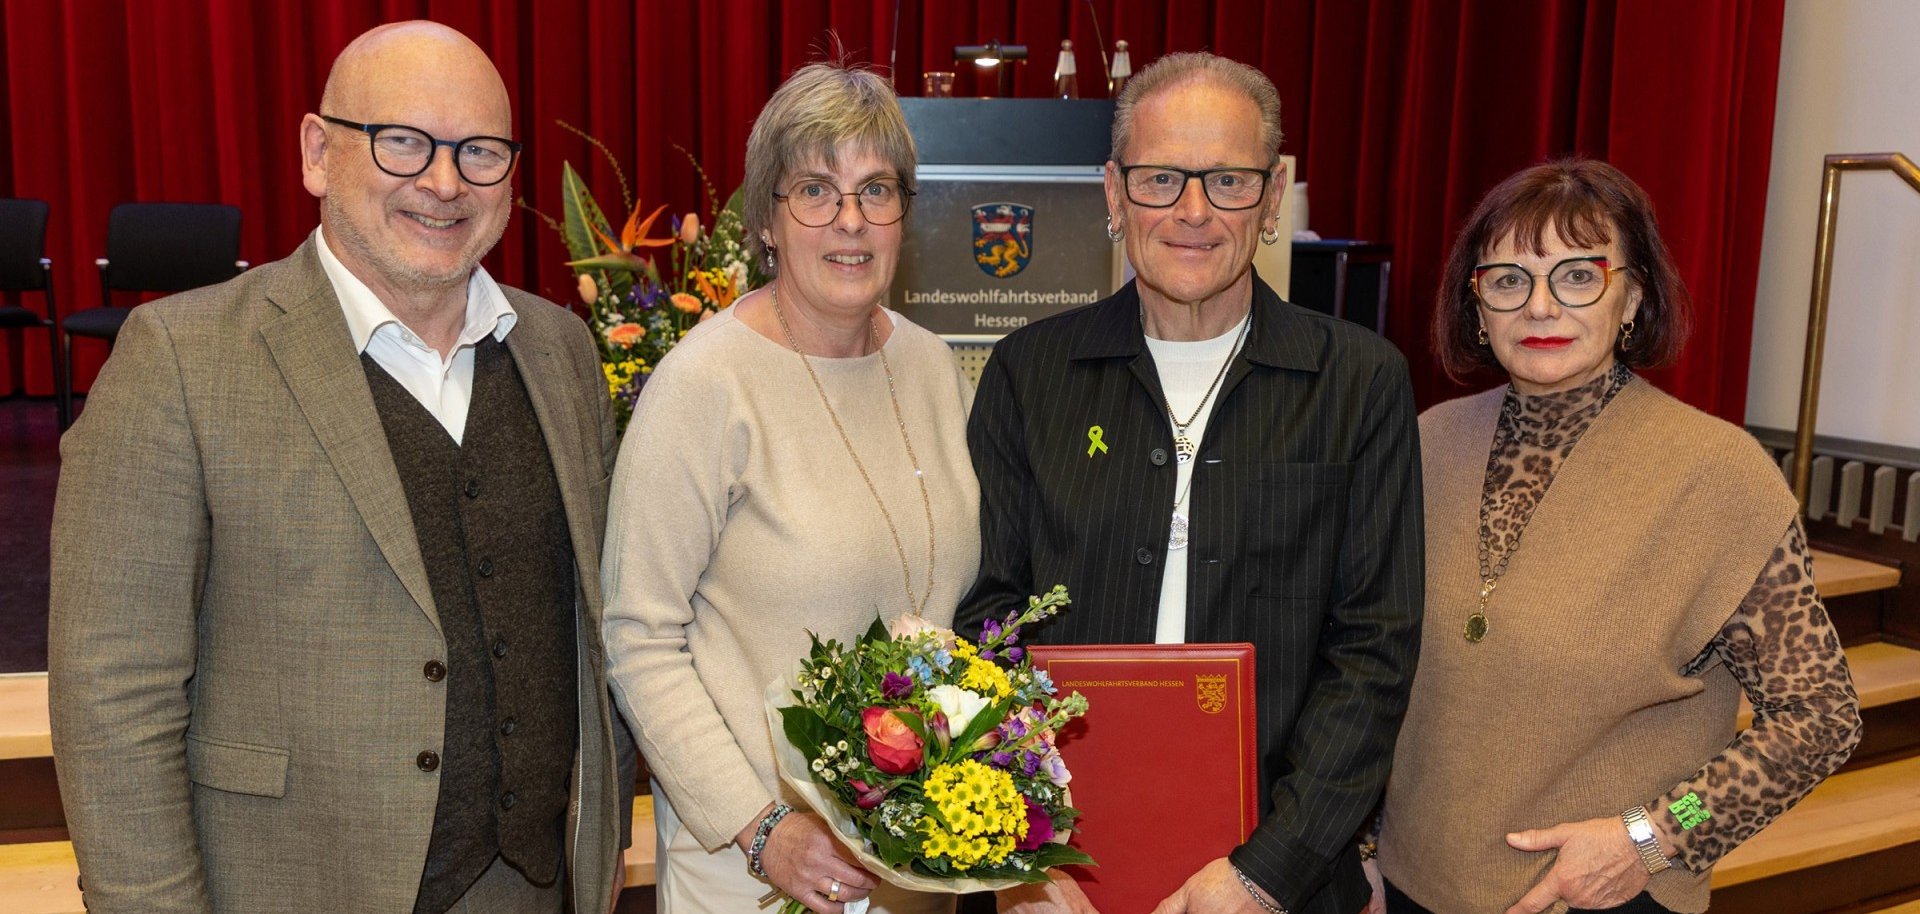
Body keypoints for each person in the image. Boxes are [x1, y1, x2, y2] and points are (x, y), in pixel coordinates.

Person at [48, 21, 636, 914]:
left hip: (531, 889)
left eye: (479, 152)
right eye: (403, 142)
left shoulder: (561, 352)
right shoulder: (179, 357)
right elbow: (112, 697)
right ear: (319, 152)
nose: (443, 183)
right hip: (291, 885)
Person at [959, 52, 1424, 914]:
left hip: (1281, 875)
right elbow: (988, 621)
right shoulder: (1030, 373)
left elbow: (1374, 653)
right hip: (1055, 880)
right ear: (1111, 192)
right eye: (1161, 178)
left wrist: (1265, 875)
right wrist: (1023, 854)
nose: (1195, 212)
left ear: (1274, 194)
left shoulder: (1360, 382)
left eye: (1230, 181)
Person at [1371, 159, 1863, 914]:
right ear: (1476, 307)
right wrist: (1365, 848)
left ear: (1631, 297)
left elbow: (1819, 720)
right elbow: (1376, 673)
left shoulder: (1718, 475)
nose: (1539, 306)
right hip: (1412, 886)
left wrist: (1656, 835)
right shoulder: (1426, 443)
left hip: (1603, 897)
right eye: (1507, 280)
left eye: (1577, 276)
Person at [601, 61, 978, 914]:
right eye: (816, 190)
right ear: (768, 218)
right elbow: (638, 634)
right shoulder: (704, 386)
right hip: (757, 871)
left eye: (877, 191)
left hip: (918, 870)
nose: (850, 221)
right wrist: (761, 826)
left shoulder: (930, 366)